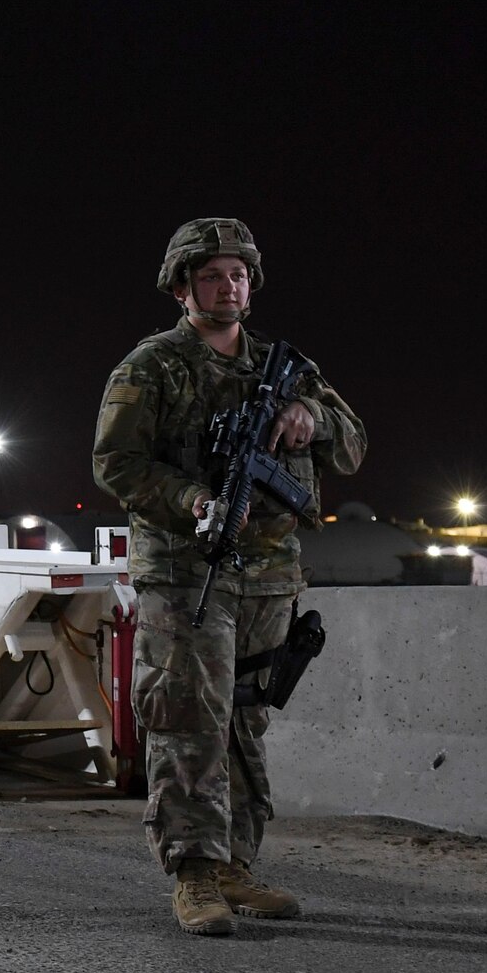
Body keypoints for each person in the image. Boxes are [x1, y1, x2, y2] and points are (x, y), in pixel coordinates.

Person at [92, 218, 365, 935]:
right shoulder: (151, 366)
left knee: (246, 717)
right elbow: (115, 463)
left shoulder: (286, 365)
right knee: (188, 717)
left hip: (269, 576)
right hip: (187, 572)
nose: (228, 285)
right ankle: (193, 872)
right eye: (212, 274)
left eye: (238, 273)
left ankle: (237, 862)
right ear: (183, 286)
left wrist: (313, 417)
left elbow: (353, 441)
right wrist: (194, 500)